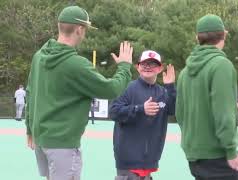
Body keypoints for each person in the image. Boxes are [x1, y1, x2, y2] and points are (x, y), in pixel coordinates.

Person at [25, 6, 133, 180]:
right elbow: (111, 89)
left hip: (41, 140)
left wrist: (29, 128)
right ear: (80, 29)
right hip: (63, 144)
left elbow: (30, 91)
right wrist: (125, 67)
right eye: (85, 30)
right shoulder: (75, 64)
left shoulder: (39, 56)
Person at [176, 14, 238, 180]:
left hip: (194, 155)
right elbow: (224, 114)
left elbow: (180, 114)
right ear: (224, 35)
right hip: (217, 155)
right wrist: (230, 150)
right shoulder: (221, 65)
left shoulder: (185, 72)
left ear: (197, 38)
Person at [109, 50, 176, 180]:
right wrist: (140, 109)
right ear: (138, 67)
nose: (147, 67)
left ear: (160, 68)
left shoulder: (163, 92)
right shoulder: (127, 88)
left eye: (152, 64)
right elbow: (114, 111)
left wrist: (170, 87)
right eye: (144, 63)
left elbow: (173, 111)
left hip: (150, 162)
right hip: (128, 162)